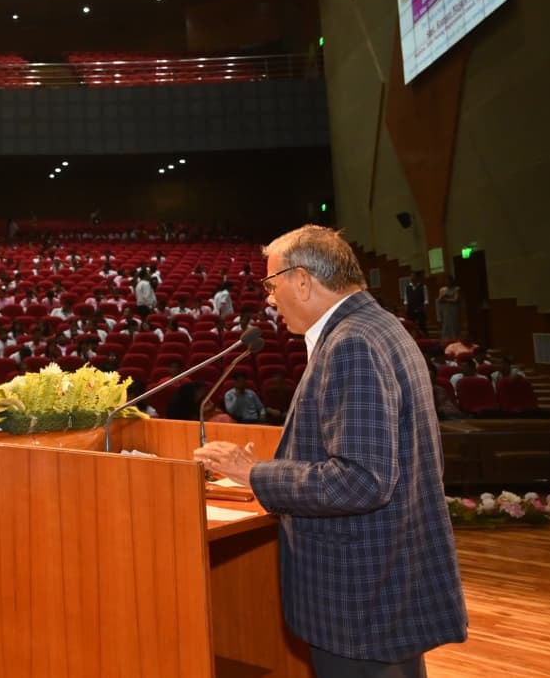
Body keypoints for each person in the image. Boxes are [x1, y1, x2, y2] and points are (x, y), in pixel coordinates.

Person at [194, 225, 466, 676]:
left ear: (302, 280)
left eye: (271, 283)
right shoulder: (380, 327)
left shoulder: (351, 343)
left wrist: (255, 472)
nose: (269, 298)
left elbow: (361, 480)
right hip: (389, 578)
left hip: (360, 592)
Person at [435, 277, 461, 342]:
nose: (448, 282)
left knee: (454, 325)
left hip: (453, 309)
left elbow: (456, 299)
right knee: (446, 325)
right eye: (447, 281)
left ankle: (455, 340)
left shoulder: (456, 289)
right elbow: (439, 300)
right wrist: (443, 296)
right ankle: (446, 341)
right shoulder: (443, 289)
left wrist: (446, 299)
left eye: (449, 281)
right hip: (445, 309)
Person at [403, 272, 428, 337]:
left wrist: (425, 308)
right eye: (411, 277)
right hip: (411, 308)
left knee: (422, 325)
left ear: (417, 278)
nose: (412, 278)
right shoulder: (407, 287)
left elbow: (425, 299)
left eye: (413, 276)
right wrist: (406, 307)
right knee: (411, 325)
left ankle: (425, 338)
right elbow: (406, 299)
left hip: (420, 308)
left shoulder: (423, 287)